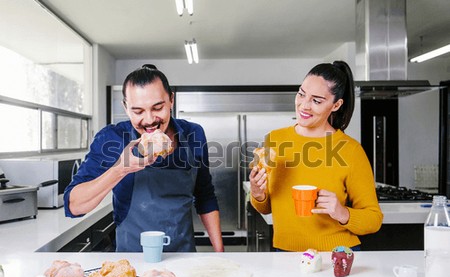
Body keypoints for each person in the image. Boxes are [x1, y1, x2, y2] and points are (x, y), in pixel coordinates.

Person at [64, 64, 224, 252]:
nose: (149, 120)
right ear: (126, 107)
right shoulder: (112, 138)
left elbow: (205, 196)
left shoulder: (193, 134)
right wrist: (121, 168)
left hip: (184, 257)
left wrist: (220, 254)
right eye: (138, 111)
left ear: (171, 100)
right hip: (132, 260)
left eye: (157, 107)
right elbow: (74, 205)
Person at [249, 61, 383, 252]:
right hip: (285, 254)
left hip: (336, 255)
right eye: (301, 94)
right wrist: (257, 193)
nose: (304, 105)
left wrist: (341, 212)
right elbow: (266, 207)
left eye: (317, 101)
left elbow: (373, 219)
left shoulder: (350, 150)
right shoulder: (274, 139)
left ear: (336, 105)